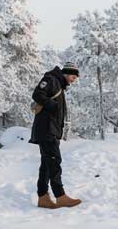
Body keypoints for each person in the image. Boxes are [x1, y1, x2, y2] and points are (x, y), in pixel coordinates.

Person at [29, 63, 81, 209]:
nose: (74, 79)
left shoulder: (58, 85)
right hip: (47, 130)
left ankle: (43, 197)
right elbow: (37, 94)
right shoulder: (51, 79)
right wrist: (51, 105)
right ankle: (60, 196)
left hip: (50, 130)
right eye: (73, 76)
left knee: (47, 163)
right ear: (67, 73)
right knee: (54, 161)